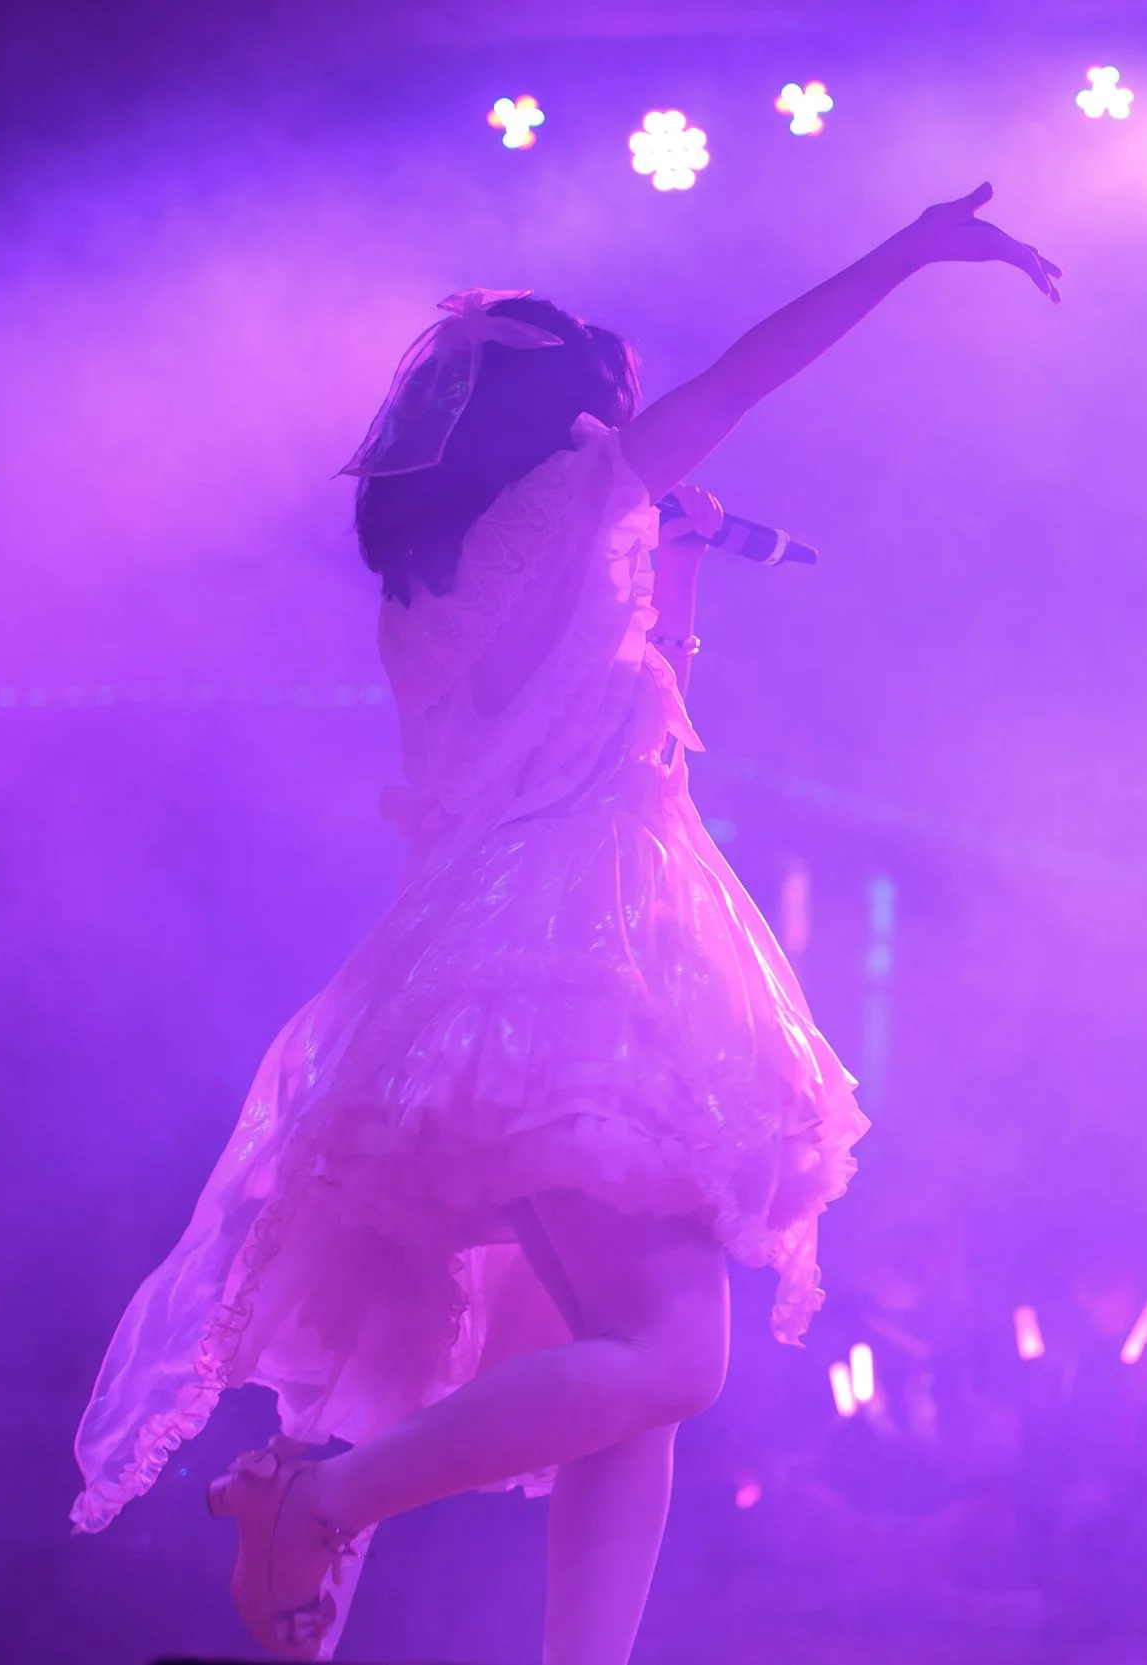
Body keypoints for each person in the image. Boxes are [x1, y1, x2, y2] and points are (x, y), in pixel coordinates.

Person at [68, 184, 1061, 1662]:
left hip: (486, 962)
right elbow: (749, 373)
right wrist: (906, 255)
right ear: (573, 417)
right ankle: (324, 1497)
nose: (641, 417)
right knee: (672, 1359)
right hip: (581, 953)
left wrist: (670, 562)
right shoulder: (570, 498)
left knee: (630, 1365)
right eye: (622, 400)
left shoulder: (433, 579)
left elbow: (605, 707)